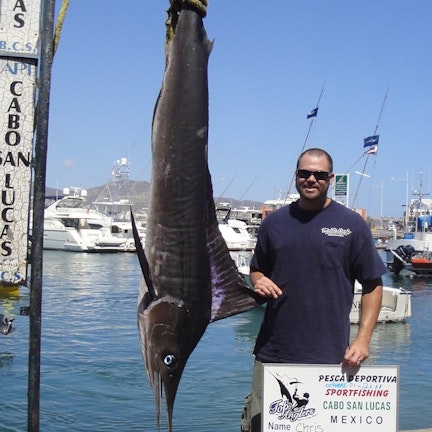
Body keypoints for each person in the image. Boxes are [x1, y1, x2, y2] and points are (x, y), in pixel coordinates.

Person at [245, 148, 386, 432]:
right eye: (304, 173)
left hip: (331, 357)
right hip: (273, 353)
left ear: (330, 179)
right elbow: (256, 268)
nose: (311, 179)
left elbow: (373, 284)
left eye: (319, 174)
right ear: (296, 176)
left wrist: (363, 340)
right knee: (260, 425)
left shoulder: (352, 225)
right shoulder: (273, 223)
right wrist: (257, 279)